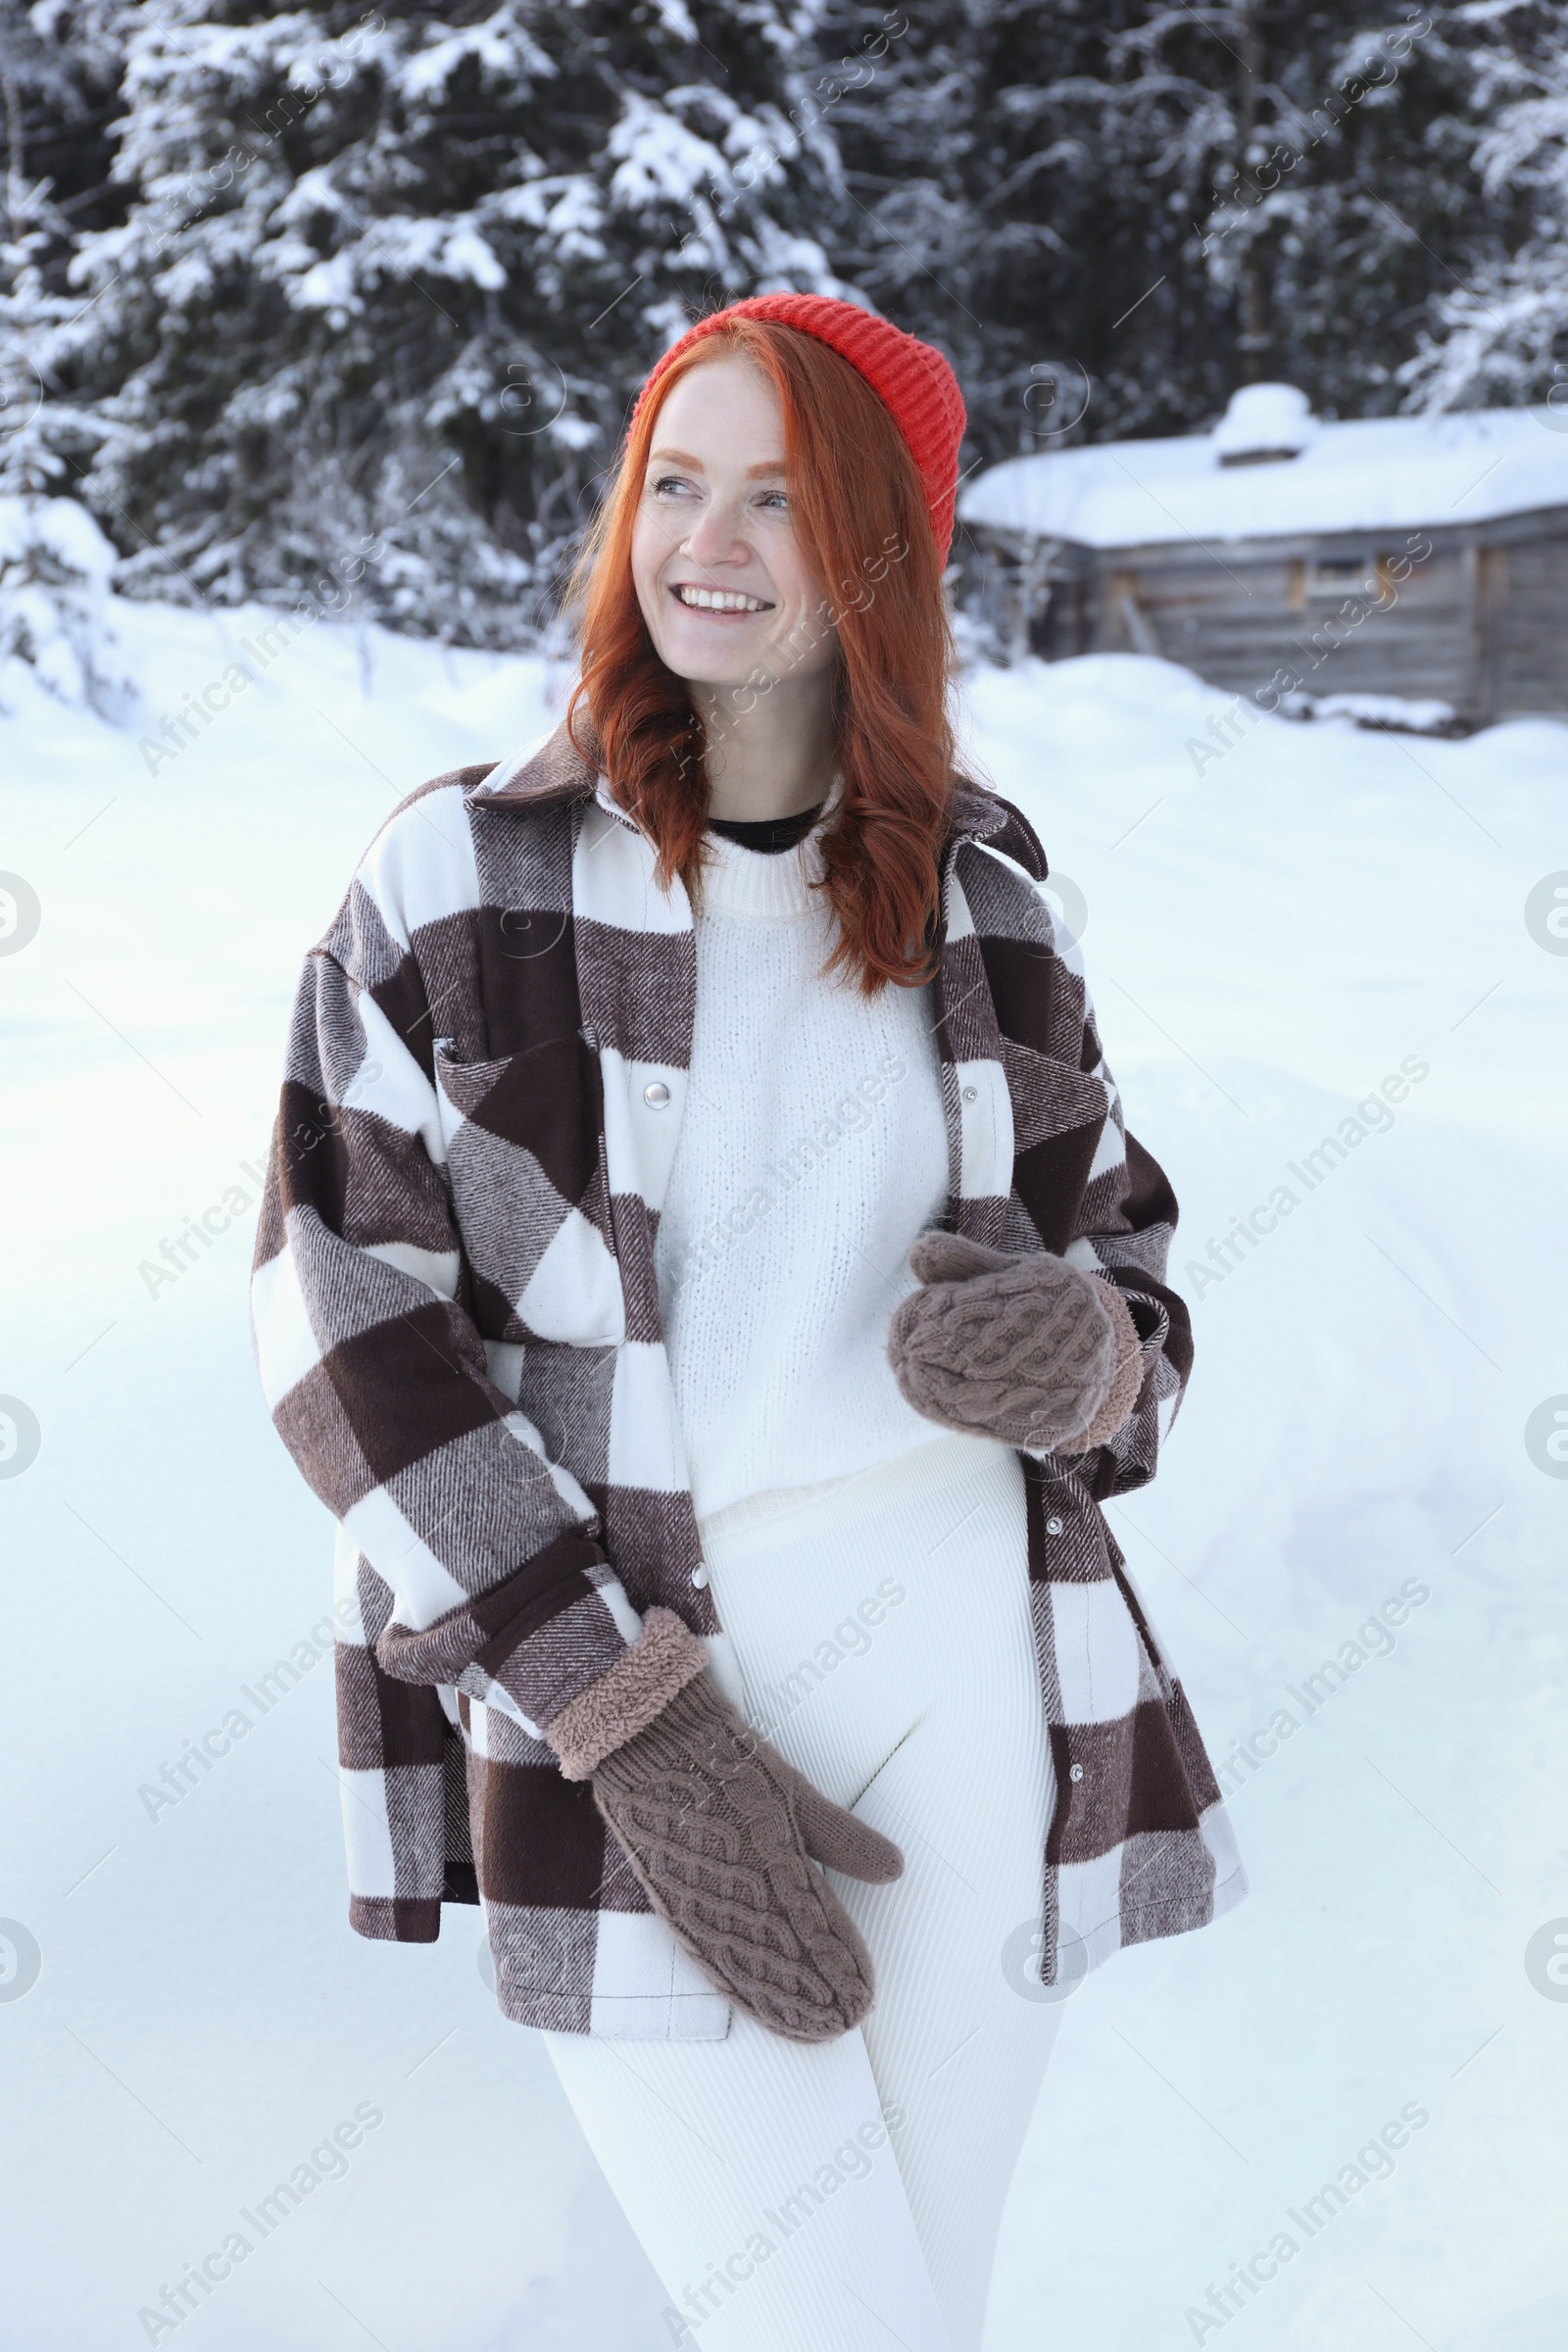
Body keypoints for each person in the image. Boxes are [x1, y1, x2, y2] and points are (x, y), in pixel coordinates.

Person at [250, 293, 1246, 2352]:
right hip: (626, 1693)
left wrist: (1088, 1354)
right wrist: (621, 1717)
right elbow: (340, 1332)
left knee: (916, 2322)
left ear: (883, 547)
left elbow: (1128, 1262)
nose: (705, 543)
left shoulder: (986, 906)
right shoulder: (460, 886)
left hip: (975, 1671)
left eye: (779, 499)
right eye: (673, 486)